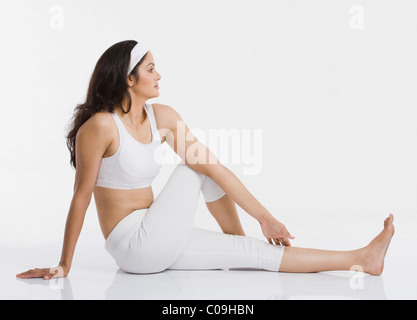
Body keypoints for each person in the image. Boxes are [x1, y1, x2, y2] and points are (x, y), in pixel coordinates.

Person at [16, 40, 394, 280]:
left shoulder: (162, 117)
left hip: (157, 234)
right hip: (132, 244)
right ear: (128, 80)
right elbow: (81, 197)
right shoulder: (101, 126)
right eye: (150, 69)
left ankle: (361, 258)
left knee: (250, 245)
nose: (159, 74)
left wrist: (266, 219)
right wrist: (63, 264)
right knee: (193, 167)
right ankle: (242, 241)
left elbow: (216, 169)